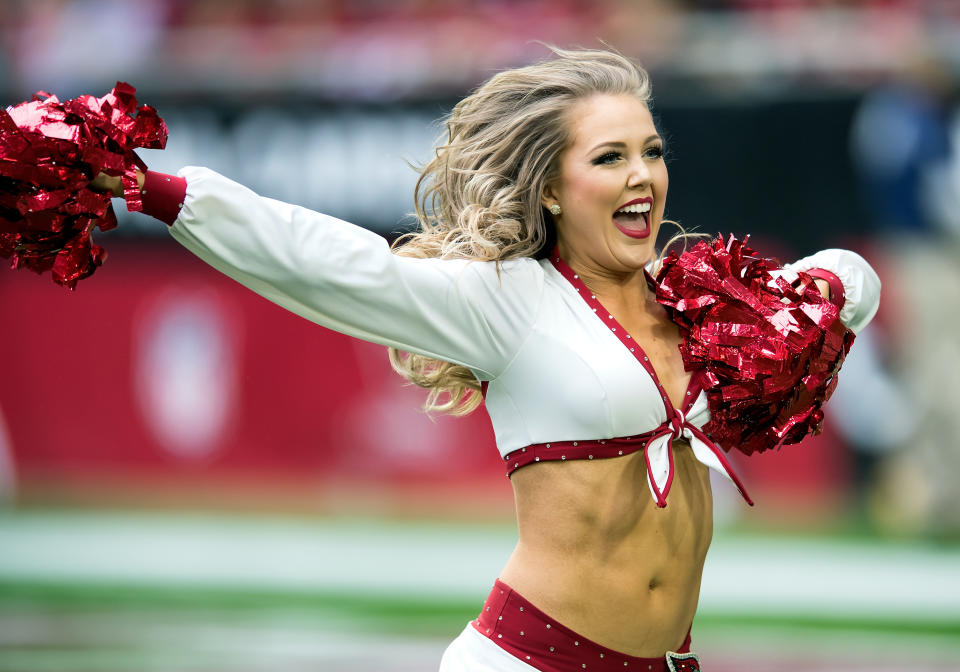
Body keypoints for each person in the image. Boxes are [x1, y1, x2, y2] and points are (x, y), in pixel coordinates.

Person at [92, 48, 880, 672]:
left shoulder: (699, 308)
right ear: (548, 190)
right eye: (609, 158)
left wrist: (816, 300)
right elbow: (336, 266)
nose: (641, 174)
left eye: (651, 150)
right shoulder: (507, 302)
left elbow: (848, 281)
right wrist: (156, 191)